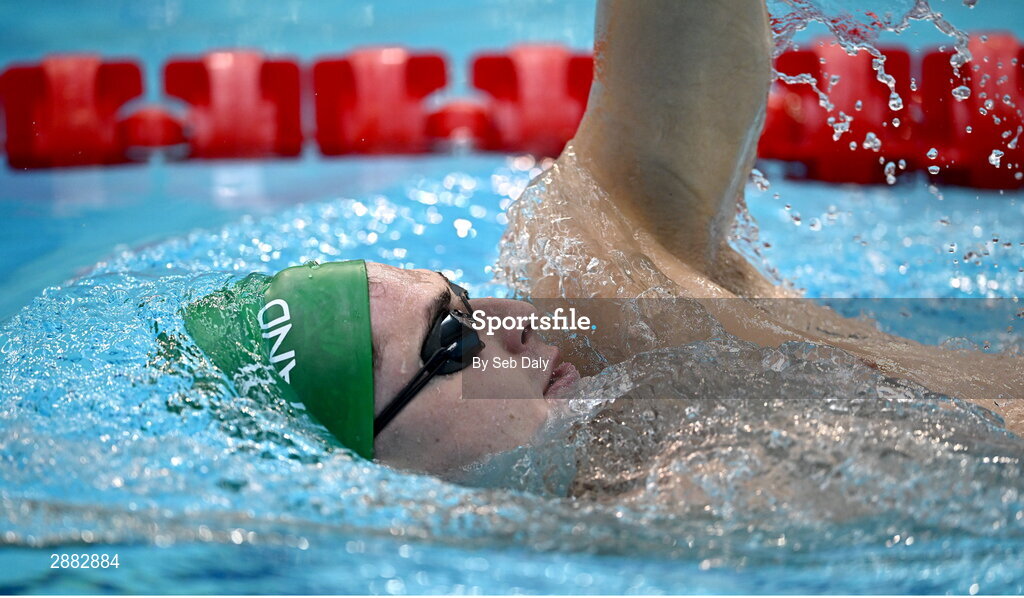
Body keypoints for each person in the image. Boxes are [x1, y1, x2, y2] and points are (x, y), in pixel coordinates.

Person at [184, 0, 1024, 479]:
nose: (515, 315)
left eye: (467, 303)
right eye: (452, 341)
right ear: (371, 472)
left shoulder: (616, 314)